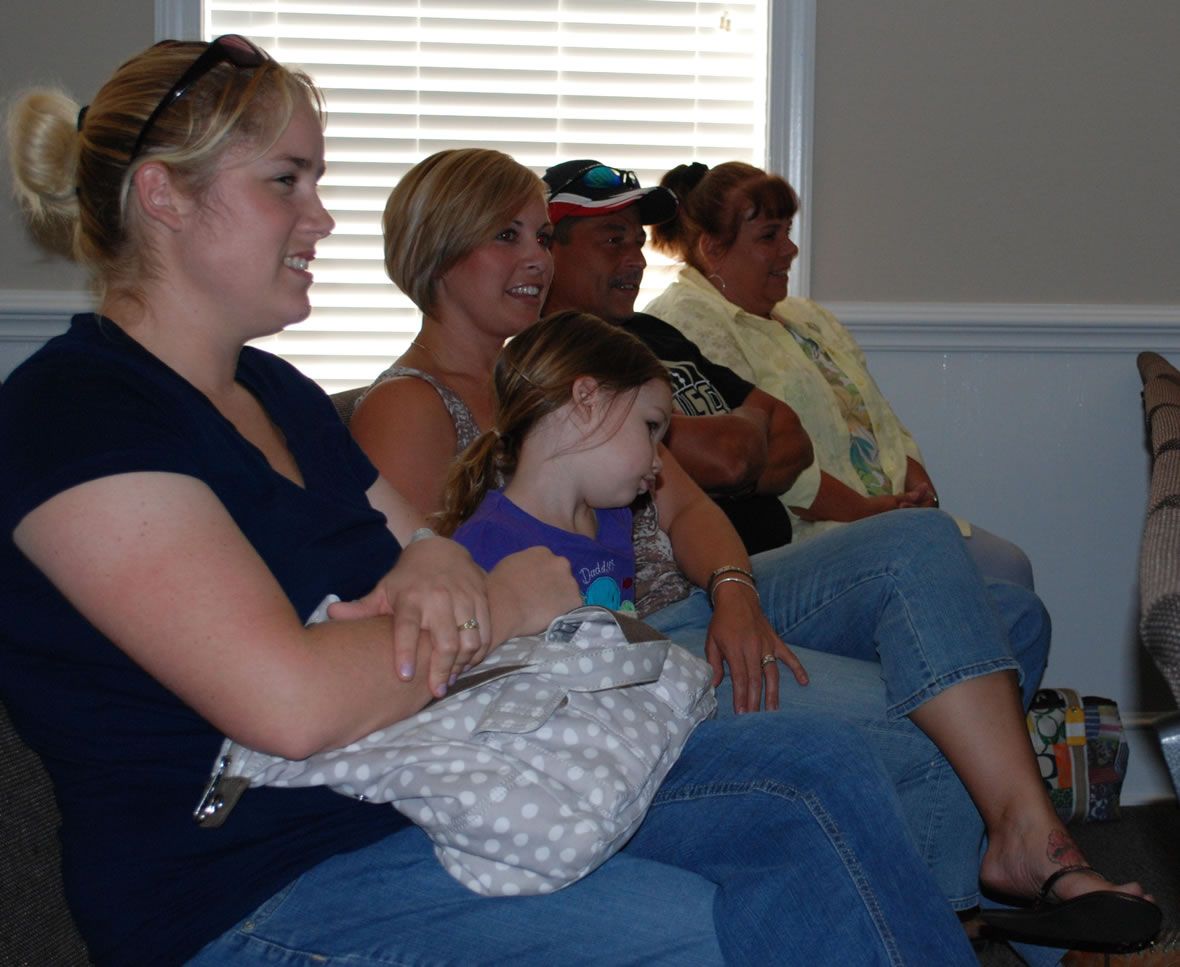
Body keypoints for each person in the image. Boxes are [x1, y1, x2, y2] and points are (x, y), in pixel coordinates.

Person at [0, 39, 991, 967]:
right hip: (249, 889)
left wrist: (435, 564)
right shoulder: (76, 418)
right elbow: (291, 703)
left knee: (812, 771)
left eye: (317, 181)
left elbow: (421, 546)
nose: (322, 217)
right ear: (162, 197)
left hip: (432, 784)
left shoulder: (276, 394)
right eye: (284, 182)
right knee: (700, 932)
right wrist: (503, 603)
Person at [355, 148, 1158, 958]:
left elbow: (691, 504)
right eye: (507, 236)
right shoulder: (409, 406)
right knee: (957, 695)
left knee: (965, 579)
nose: (536, 258)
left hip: (706, 600)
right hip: (620, 650)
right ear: (438, 253)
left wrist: (736, 590)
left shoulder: (556, 371)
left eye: (538, 234)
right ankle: (1033, 909)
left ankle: (999, 868)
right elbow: (451, 612)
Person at [645, 160, 1036, 590]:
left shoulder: (806, 316)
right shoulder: (685, 321)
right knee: (1001, 575)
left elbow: (878, 417)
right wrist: (870, 513)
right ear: (712, 248)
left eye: (788, 232)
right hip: (806, 538)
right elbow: (764, 462)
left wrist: (917, 488)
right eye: (768, 236)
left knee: (1009, 572)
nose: (789, 250)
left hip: (888, 517)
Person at [542, 158, 810, 555]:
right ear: (548, 248)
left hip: (771, 560)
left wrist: (737, 460)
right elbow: (726, 460)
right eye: (614, 241)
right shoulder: (556, 360)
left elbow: (794, 437)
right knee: (909, 541)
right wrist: (749, 427)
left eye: (638, 242)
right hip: (705, 582)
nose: (637, 260)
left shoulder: (652, 330)